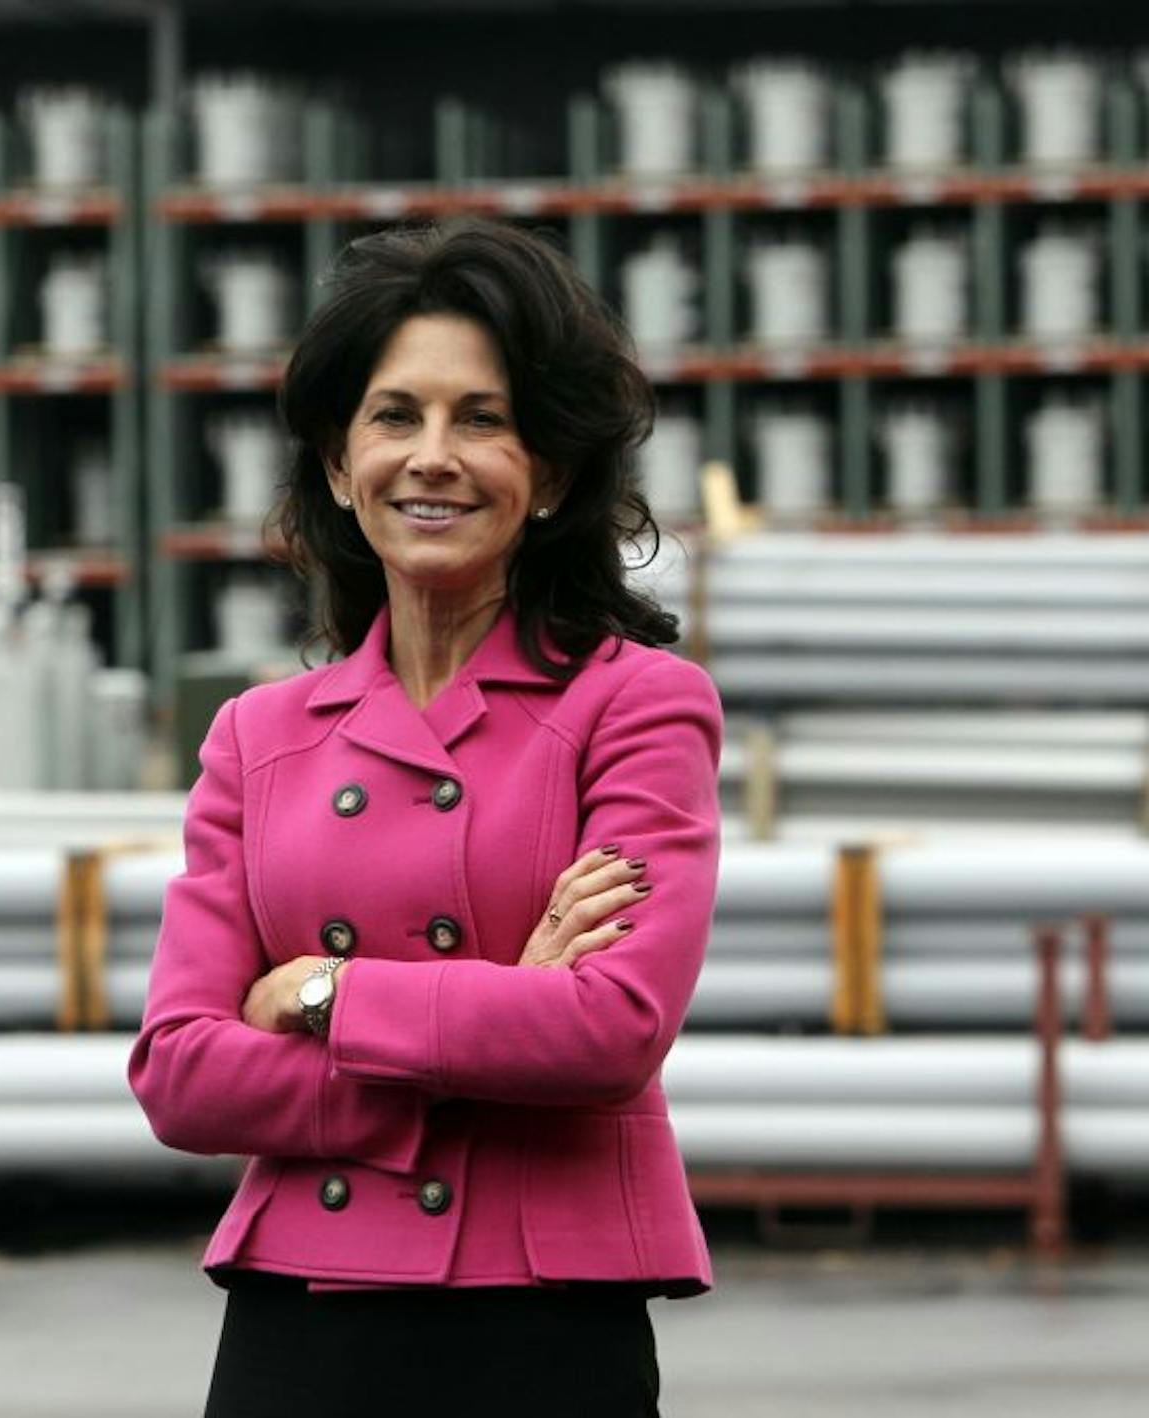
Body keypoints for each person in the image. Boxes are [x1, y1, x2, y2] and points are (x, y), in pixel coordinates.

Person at [128, 218, 721, 1418]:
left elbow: (611, 1026)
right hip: (304, 1310)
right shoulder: (260, 736)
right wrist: (496, 1016)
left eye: (483, 419)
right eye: (395, 416)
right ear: (341, 470)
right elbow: (180, 1072)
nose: (433, 456)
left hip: (544, 1317)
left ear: (549, 473)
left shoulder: (638, 704)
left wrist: (324, 994)